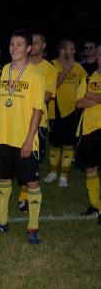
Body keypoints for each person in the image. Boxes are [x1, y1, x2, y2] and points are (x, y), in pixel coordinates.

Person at [0, 30, 46, 245]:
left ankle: (33, 227)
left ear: (29, 48)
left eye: (19, 44)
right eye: (12, 44)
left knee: (32, 182)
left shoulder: (36, 75)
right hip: (3, 138)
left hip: (24, 140)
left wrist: (29, 140)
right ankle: (1, 222)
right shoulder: (1, 73)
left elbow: (38, 110)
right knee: (2, 179)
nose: (14, 48)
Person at [15, 33, 57, 212]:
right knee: (16, 157)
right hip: (17, 119)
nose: (33, 45)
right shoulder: (19, 66)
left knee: (30, 160)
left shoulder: (49, 69)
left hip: (37, 120)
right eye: (30, 42)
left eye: (36, 42)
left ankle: (24, 197)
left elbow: (46, 96)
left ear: (43, 46)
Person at [44, 39, 86, 187]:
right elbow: (52, 87)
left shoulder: (78, 67)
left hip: (72, 111)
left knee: (69, 145)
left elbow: (86, 82)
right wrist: (66, 70)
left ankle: (64, 175)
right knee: (54, 144)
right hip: (54, 111)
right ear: (62, 49)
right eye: (71, 49)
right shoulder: (51, 65)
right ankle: (53, 172)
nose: (74, 51)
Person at [75, 44, 101, 221]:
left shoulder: (89, 84)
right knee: (91, 169)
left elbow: (86, 99)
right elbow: (78, 103)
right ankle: (96, 206)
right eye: (99, 54)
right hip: (89, 129)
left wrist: (91, 96)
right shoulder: (89, 78)